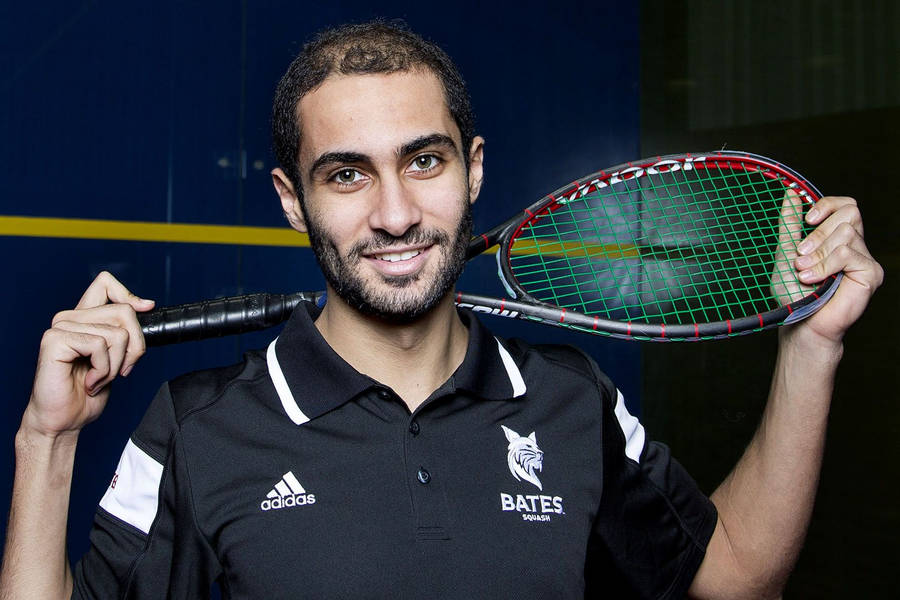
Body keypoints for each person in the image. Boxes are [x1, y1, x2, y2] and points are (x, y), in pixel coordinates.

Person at [0, 21, 883, 600]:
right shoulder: (197, 426)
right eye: (346, 174)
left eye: (424, 161)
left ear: (475, 169)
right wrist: (49, 443)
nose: (393, 213)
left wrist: (812, 347)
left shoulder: (571, 399)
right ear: (290, 201)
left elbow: (735, 579)